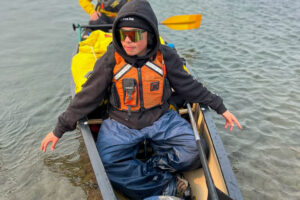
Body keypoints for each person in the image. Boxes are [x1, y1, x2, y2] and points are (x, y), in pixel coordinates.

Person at [41, 0, 242, 199]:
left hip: (161, 119)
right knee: (106, 166)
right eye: (122, 34)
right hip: (120, 123)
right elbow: (87, 96)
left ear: (150, 35)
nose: (127, 40)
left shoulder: (165, 56)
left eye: (134, 34)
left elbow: (188, 86)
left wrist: (220, 107)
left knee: (196, 153)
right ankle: (168, 185)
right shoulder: (111, 58)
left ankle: (155, 167)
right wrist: (59, 129)